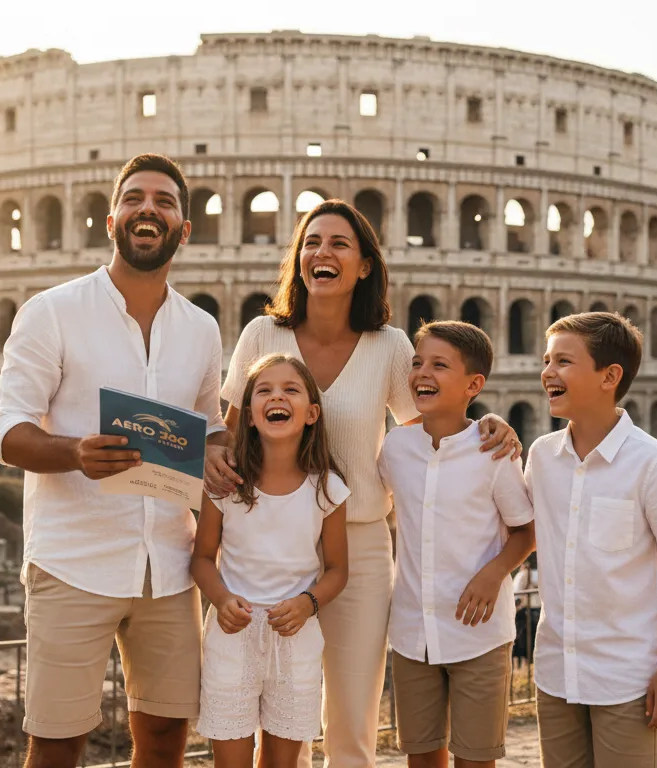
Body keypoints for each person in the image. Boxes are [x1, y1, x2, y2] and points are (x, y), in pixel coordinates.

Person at [204, 199, 521, 767]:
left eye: (338, 244)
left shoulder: (391, 347)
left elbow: (428, 423)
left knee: (351, 723)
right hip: (272, 549)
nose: (321, 253)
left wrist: (486, 423)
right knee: (284, 720)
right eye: (311, 242)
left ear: (365, 266)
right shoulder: (261, 333)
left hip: (362, 548)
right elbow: (230, 439)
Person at [0, 154, 228, 767]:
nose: (149, 208)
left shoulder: (201, 329)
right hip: (73, 560)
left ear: (183, 228)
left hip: (169, 564)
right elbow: (5, 430)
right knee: (58, 742)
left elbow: (210, 433)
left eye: (165, 201)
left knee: (168, 739)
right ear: (112, 218)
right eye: (135, 198)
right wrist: (73, 452)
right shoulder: (52, 311)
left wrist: (249, 459)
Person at [528, 312, 657, 767]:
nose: (548, 372)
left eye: (564, 361)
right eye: (547, 360)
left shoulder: (653, 464)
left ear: (610, 376)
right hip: (555, 671)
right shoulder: (541, 457)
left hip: (626, 677)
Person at [379, 321, 536, 768]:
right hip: (412, 633)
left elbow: (526, 530)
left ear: (474, 384)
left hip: (479, 635)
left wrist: (494, 574)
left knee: (476, 758)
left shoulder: (495, 451)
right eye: (417, 363)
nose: (422, 373)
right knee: (422, 757)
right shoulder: (396, 447)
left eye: (439, 365)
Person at [190, 354, 350, 766]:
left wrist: (308, 603)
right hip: (232, 635)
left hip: (295, 636)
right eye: (264, 390)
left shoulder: (328, 487)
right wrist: (222, 600)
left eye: (290, 389)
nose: (277, 396)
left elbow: (337, 570)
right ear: (248, 416)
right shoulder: (226, 483)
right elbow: (203, 559)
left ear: (312, 413)